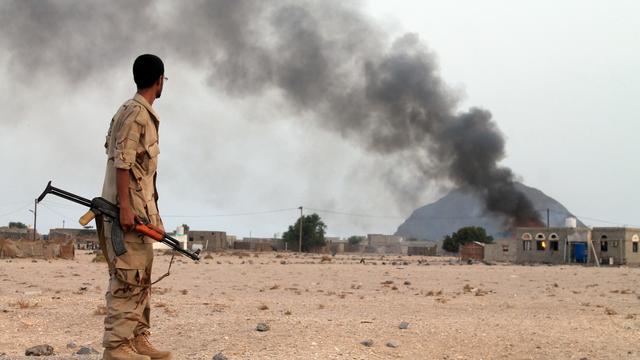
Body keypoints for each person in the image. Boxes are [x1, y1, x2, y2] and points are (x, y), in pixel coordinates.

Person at [97, 54, 171, 360]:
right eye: (164, 80)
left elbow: (144, 175)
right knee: (128, 279)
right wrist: (125, 208)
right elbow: (122, 162)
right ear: (159, 81)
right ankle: (116, 348)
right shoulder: (135, 115)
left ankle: (138, 338)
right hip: (124, 214)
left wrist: (154, 218)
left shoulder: (140, 114)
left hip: (141, 213)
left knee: (142, 275)